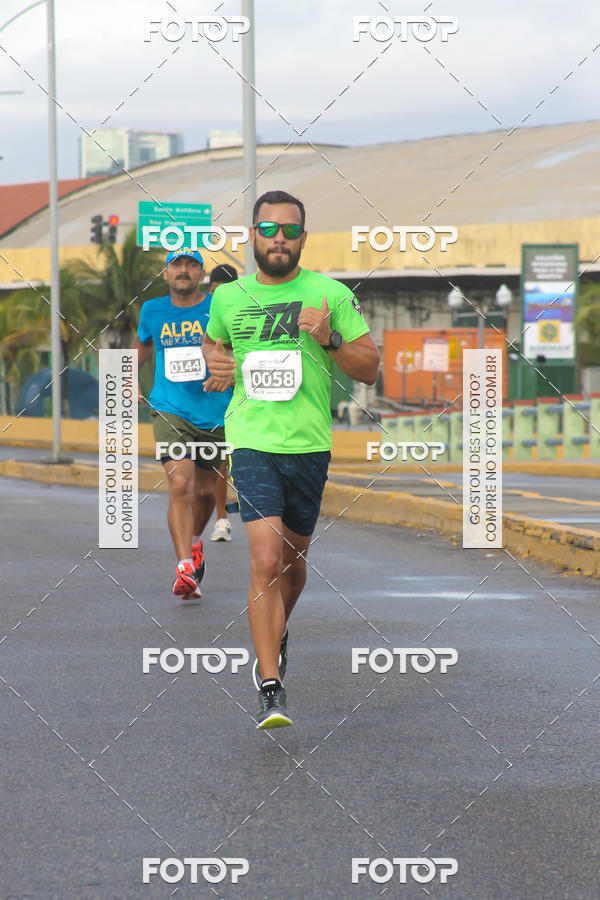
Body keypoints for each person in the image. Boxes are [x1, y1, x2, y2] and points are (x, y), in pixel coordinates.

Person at [203, 190, 380, 729]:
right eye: (268, 229)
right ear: (252, 236)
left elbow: (370, 368)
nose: (278, 238)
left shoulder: (331, 294)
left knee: (293, 567)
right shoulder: (228, 298)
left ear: (303, 237)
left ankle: (275, 631)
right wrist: (217, 364)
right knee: (263, 560)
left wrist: (329, 338)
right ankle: (270, 684)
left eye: (289, 230)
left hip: (309, 446)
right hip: (251, 439)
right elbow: (214, 348)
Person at [133, 247, 233, 599]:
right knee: (179, 484)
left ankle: (194, 543)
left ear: (201, 274)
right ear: (166, 273)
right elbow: (142, 346)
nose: (184, 270)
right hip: (169, 409)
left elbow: (241, 348)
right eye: (177, 265)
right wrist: (128, 376)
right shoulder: (152, 310)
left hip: (215, 413)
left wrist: (229, 369)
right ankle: (184, 567)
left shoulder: (219, 307)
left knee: (205, 493)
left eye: (192, 265)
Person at [207, 264, 239, 543]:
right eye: (217, 291)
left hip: (230, 399)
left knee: (222, 461)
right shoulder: (203, 314)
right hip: (197, 398)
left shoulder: (242, 312)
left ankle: (222, 519)